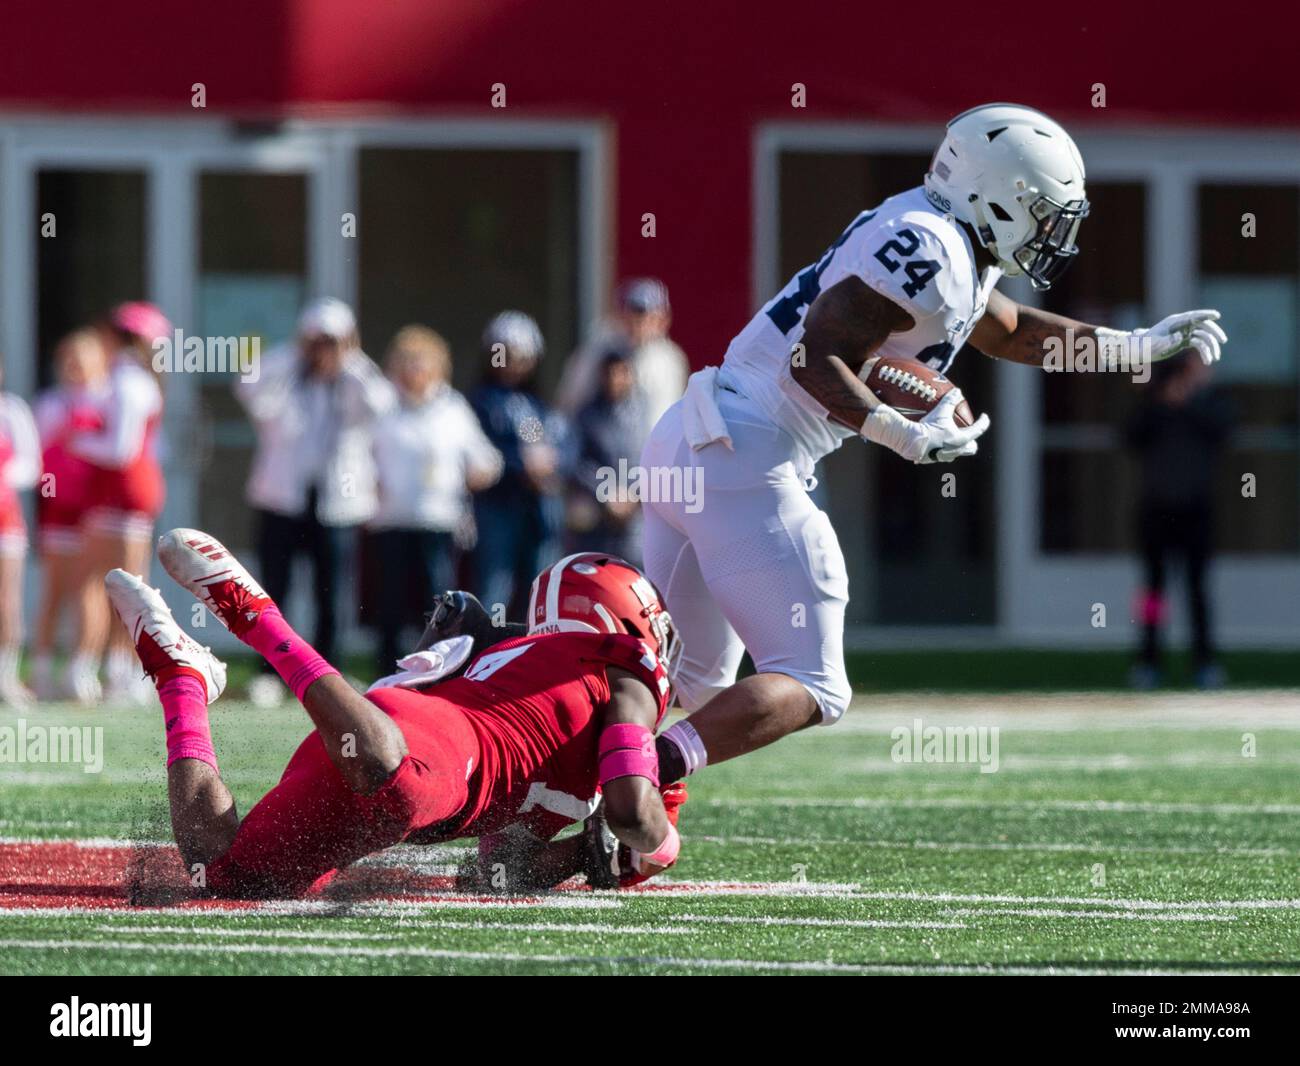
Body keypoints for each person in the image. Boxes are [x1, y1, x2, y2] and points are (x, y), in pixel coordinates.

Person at [639, 102, 1228, 786]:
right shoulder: (930, 249)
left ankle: (564, 802)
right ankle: (635, 774)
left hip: (694, 438)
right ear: (998, 195)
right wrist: (902, 434)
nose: (1051, 234)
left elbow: (1009, 332)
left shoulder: (942, 235)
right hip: (748, 454)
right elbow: (814, 358)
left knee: (686, 687)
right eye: (1043, 213)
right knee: (815, 683)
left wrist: (1134, 347)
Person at [104, 529, 682, 898]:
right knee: (397, 778)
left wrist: (584, 852)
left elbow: (495, 871)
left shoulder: (537, 670)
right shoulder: (624, 668)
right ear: (631, 620)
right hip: (416, 748)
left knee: (225, 875)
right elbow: (634, 806)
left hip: (384, 765)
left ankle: (182, 680)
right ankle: (256, 618)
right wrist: (659, 845)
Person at [236, 298, 394, 706]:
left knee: (332, 593)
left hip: (336, 503)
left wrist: (351, 359)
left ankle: (328, 675)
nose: (324, 350)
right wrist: (296, 356)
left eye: (333, 342)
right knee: (274, 591)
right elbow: (250, 391)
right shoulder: (286, 372)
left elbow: (383, 405)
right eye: (316, 341)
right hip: (281, 499)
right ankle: (270, 673)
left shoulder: (355, 379)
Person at [368, 326, 502, 677]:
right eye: (406, 362)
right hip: (391, 518)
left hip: (439, 520)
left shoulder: (452, 406)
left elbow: (484, 459)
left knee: (439, 600)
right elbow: (360, 454)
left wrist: (480, 474)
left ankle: (437, 667)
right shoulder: (382, 405)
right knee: (391, 600)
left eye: (421, 362)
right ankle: (388, 669)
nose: (414, 370)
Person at [67, 302, 169, 705]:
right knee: (114, 584)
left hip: (122, 489)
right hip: (123, 491)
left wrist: (79, 443)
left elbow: (121, 450)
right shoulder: (130, 379)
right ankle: (113, 672)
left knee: (113, 585)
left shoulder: (128, 382)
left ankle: (115, 672)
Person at [1126, 353, 1233, 689]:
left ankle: (1204, 662)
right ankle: (1148, 661)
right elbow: (1130, 436)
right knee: (1153, 593)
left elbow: (1223, 431)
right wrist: (1161, 398)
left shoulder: (1212, 404)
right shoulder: (1154, 404)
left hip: (1196, 509)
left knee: (1197, 590)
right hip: (1157, 509)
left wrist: (1187, 401)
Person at [31, 329, 112, 702]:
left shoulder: (109, 400)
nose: (73, 369)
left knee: (93, 592)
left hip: (97, 514)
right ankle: (42, 669)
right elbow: (40, 462)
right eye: (68, 361)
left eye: (81, 361)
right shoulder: (51, 404)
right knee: (56, 591)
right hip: (61, 516)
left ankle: (84, 668)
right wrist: (51, 499)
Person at [470, 311, 567, 618]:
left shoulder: (534, 403)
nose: (514, 363)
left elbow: (549, 446)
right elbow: (481, 451)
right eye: (507, 354)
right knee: (495, 584)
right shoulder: (481, 401)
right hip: (498, 506)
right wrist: (521, 466)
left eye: (523, 356)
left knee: (540, 585)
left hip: (536, 507)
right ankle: (483, 653)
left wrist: (549, 465)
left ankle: (533, 652)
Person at [557, 277, 688, 444]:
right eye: (634, 314)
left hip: (647, 456)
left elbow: (669, 417)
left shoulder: (669, 361)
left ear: (663, 319)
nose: (641, 323)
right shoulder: (600, 349)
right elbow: (570, 401)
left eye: (649, 316)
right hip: (598, 455)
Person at [566, 345, 645, 564]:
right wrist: (607, 493)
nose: (615, 379)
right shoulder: (587, 416)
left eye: (622, 372)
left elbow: (651, 460)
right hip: (596, 526)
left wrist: (633, 496)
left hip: (635, 527)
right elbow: (575, 463)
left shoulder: (642, 415)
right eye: (610, 372)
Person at [0, 364, 41, 705]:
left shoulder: (12, 410)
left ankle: (6, 675)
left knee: (6, 600)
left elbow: (31, 465)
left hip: (5, 522)